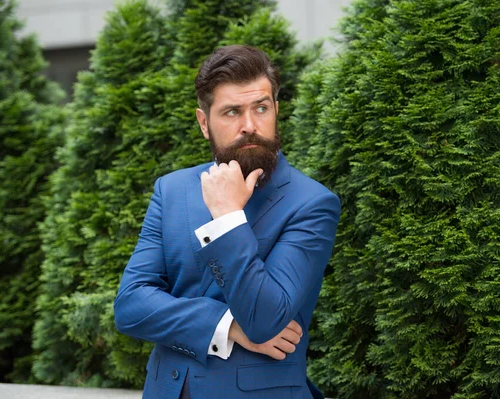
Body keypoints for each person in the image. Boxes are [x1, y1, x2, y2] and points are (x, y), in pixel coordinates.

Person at [114, 45, 340, 399]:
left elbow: (266, 322)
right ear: (204, 123)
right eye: (232, 112)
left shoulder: (312, 204)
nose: (249, 125)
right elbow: (130, 306)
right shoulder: (171, 190)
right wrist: (227, 325)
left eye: (261, 108)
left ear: (276, 110)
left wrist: (228, 218)